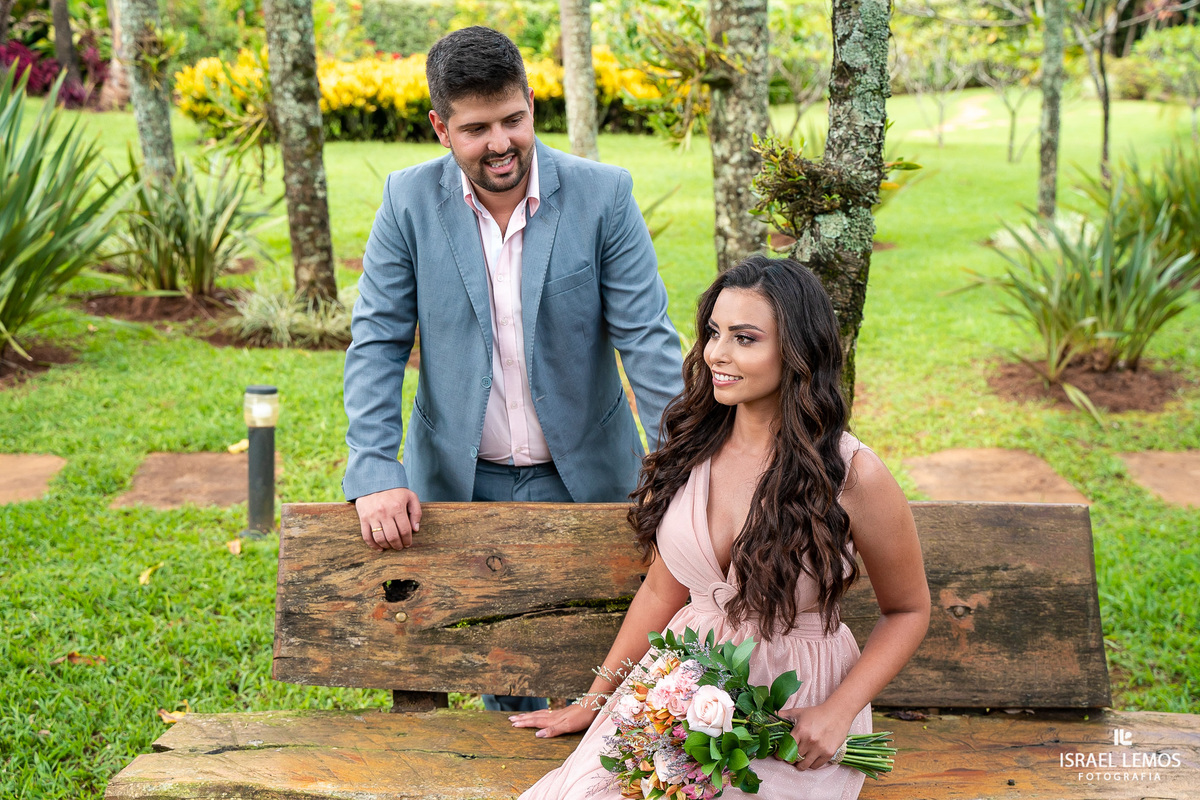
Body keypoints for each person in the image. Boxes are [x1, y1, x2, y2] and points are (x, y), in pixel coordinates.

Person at [342, 27, 684, 712]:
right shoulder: (406, 203)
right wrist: (376, 468)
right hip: (462, 489)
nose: (500, 143)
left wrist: (683, 469)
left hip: (588, 481)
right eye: (476, 129)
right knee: (509, 688)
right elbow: (378, 340)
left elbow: (647, 343)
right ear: (441, 127)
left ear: (532, 102)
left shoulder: (604, 196)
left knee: (602, 679)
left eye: (513, 120)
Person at [510, 255, 931, 799]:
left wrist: (837, 712)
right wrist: (595, 702)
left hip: (792, 714)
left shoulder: (851, 473)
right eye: (714, 332)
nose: (717, 354)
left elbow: (908, 610)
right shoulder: (691, 448)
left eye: (745, 338)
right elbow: (662, 592)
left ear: (798, 351)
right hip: (677, 695)